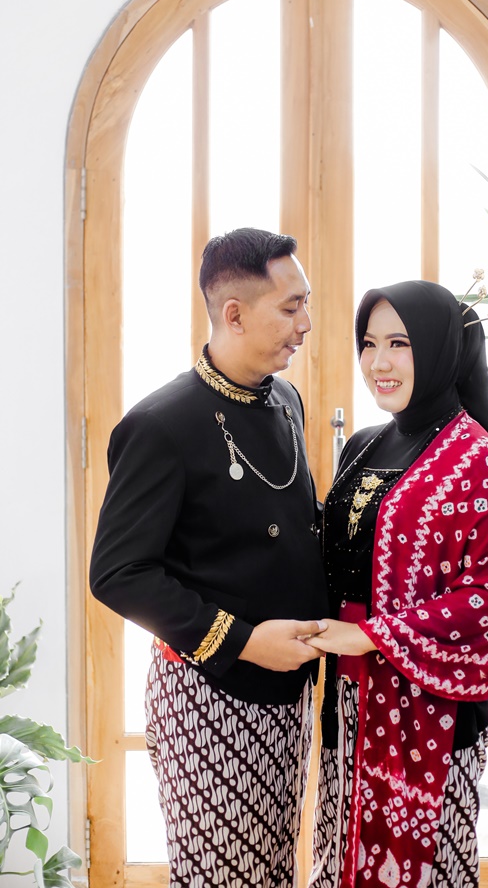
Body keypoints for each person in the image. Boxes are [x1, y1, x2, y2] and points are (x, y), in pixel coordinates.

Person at [89, 228, 329, 888]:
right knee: (220, 877)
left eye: (305, 304)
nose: (305, 324)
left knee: (270, 869)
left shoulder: (284, 399)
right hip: (208, 694)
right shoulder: (160, 424)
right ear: (234, 314)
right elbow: (118, 574)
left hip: (287, 689)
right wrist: (246, 642)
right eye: (290, 307)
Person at [304, 279, 488, 888]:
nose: (379, 362)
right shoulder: (361, 445)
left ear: (438, 348)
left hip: (434, 710)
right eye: (369, 343)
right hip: (348, 696)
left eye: (399, 344)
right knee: (342, 857)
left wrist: (374, 636)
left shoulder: (481, 462)